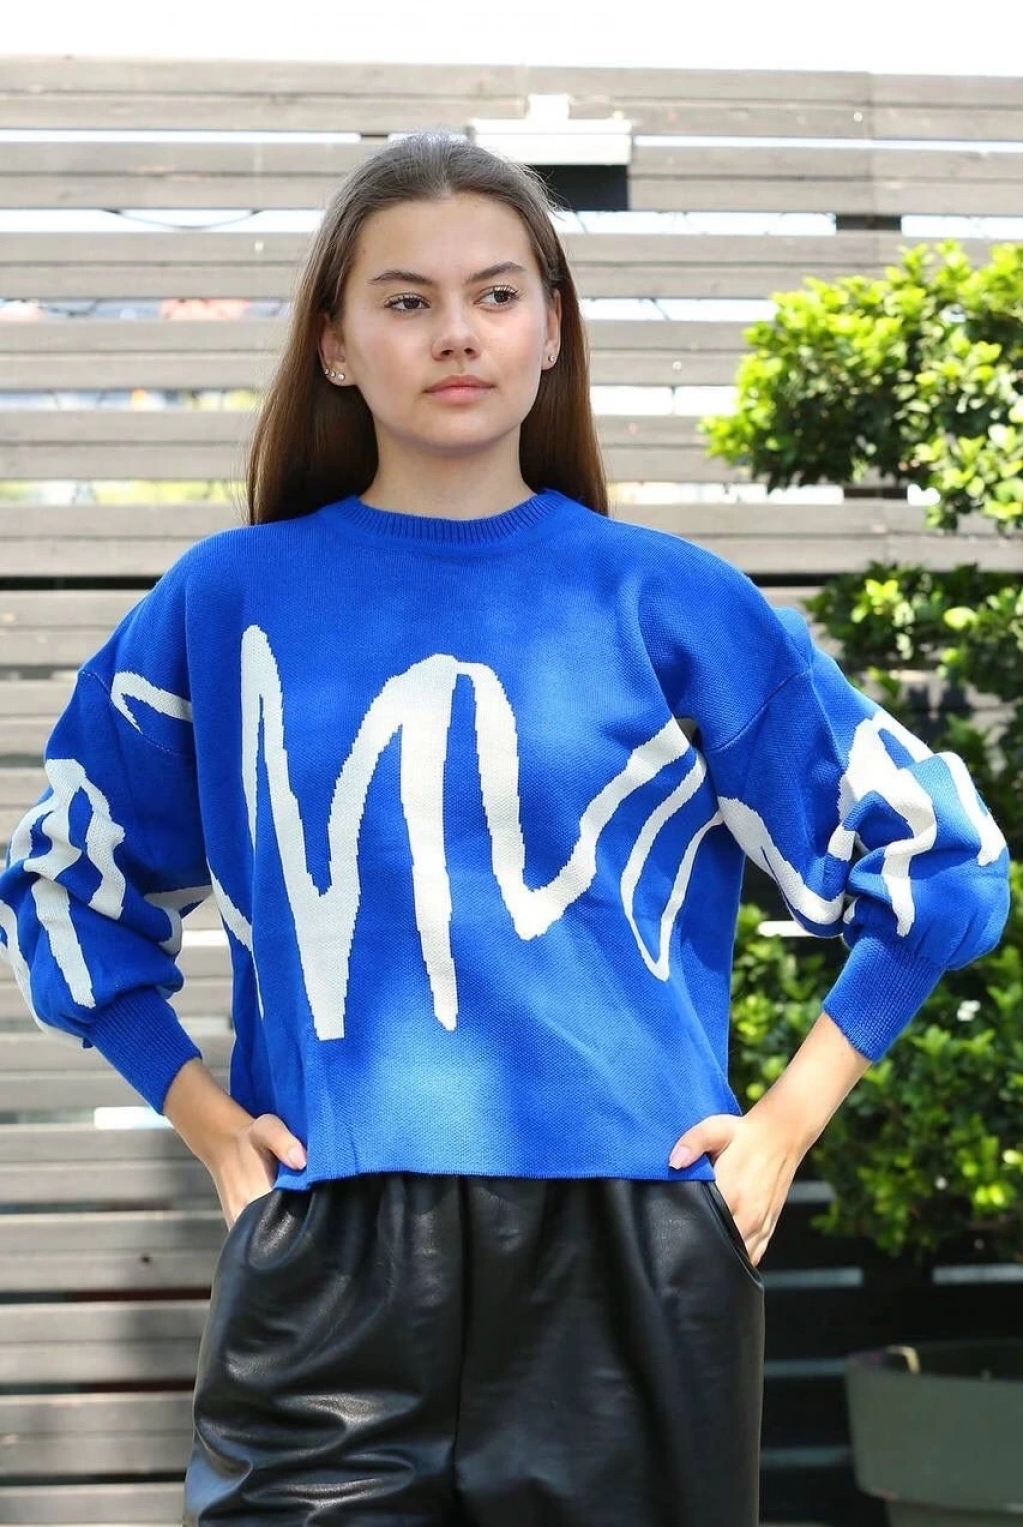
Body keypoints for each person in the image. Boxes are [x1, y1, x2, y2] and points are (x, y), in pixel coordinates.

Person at [0, 130, 1010, 1527]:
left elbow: (939, 860)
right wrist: (207, 1122)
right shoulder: (223, 601)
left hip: (632, 1264)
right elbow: (66, 880)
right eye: (405, 299)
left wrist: (784, 1128)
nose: (456, 333)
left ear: (551, 328)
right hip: (326, 1264)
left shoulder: (669, 602)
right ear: (336, 343)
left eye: (494, 293)